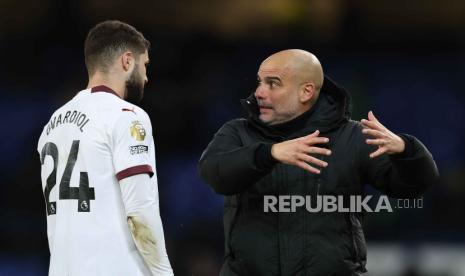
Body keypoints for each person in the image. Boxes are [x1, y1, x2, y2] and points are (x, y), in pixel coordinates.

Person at [199, 49, 439, 276]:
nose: (259, 92)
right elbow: (214, 173)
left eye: (273, 83)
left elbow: (415, 187)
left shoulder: (352, 138)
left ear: (306, 91)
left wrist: (407, 150)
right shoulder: (238, 132)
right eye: (260, 82)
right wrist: (267, 154)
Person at [37, 20, 173, 276]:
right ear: (127, 61)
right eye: (145, 66)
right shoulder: (127, 116)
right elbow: (140, 212)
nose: (146, 76)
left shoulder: (52, 125)